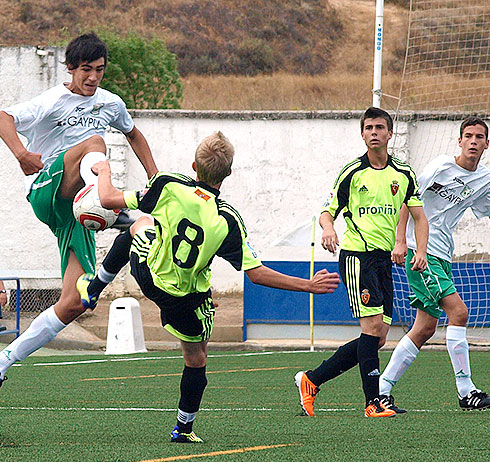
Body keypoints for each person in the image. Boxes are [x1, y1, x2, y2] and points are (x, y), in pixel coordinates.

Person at [77, 131, 340, 442]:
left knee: (137, 226)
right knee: (196, 360)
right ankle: (183, 428)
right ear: (228, 173)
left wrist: (104, 171)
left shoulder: (169, 186)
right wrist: (308, 285)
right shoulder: (228, 219)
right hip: (185, 299)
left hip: (149, 275)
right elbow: (257, 274)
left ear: (193, 165)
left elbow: (107, 199)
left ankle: (94, 288)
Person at [0, 32, 158, 407]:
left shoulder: (110, 103)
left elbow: (134, 134)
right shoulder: (53, 100)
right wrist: (21, 153)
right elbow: (1, 117)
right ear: (71, 68)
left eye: (100, 70)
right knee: (95, 143)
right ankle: (109, 202)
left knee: (76, 301)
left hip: (75, 211)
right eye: (86, 69)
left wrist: (155, 179)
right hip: (47, 188)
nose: (93, 77)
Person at [294, 107, 429, 418]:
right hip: (357, 257)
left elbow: (420, 217)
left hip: (384, 260)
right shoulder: (352, 172)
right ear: (362, 134)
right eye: (368, 128)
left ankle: (311, 380)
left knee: (378, 336)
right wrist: (328, 228)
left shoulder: (403, 174)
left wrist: (419, 250)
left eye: (379, 127)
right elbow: (327, 211)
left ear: (390, 134)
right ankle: (373, 402)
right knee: (371, 328)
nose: (373, 133)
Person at [379, 116, 490, 412]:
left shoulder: (486, 180)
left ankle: (382, 390)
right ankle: (467, 391)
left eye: (479, 137)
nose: (473, 141)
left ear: (487, 144)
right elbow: (408, 199)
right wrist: (400, 241)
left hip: (442, 255)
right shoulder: (441, 166)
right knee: (459, 312)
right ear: (460, 141)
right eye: (468, 136)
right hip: (421, 252)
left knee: (425, 327)